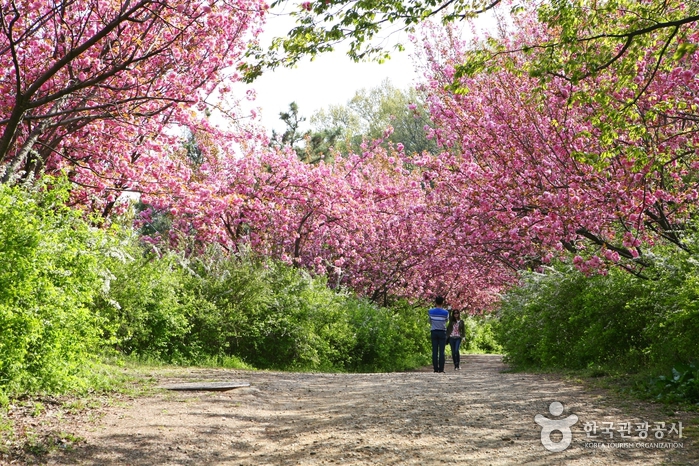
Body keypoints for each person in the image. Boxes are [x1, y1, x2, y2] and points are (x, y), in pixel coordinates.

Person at [428, 296, 449, 373]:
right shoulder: (446, 312)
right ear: (442, 302)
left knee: (435, 351)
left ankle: (435, 369)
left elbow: (430, 321)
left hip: (434, 331)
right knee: (442, 351)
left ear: (435, 302)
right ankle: (441, 369)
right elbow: (446, 321)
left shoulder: (430, 311)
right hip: (442, 332)